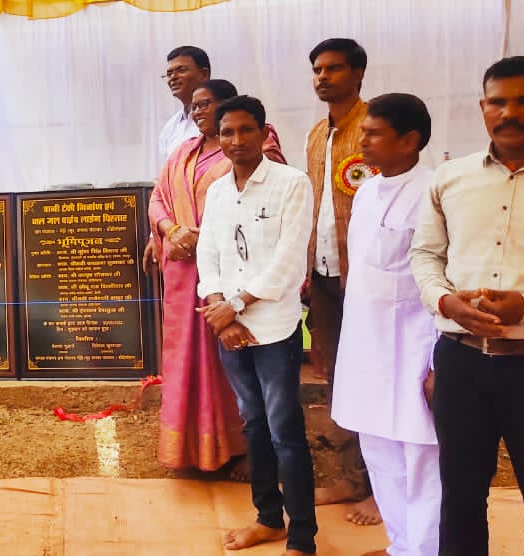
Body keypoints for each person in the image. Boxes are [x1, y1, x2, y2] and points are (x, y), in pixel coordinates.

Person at [410, 56, 524, 556]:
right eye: (498, 102)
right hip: (461, 362)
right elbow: (425, 255)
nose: (510, 112)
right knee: (459, 498)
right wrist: (445, 301)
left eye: (523, 101)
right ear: (483, 108)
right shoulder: (450, 178)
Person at [196, 95, 316, 556]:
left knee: (285, 430)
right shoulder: (218, 191)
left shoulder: (291, 183)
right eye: (227, 132)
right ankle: (268, 519)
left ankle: (302, 536)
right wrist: (218, 311)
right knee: (253, 426)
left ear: (265, 134)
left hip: (274, 328)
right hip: (229, 328)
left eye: (247, 130)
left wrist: (236, 305)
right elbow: (208, 254)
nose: (237, 140)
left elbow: (289, 261)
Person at [148, 79, 284, 474]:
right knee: (185, 358)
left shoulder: (259, 150)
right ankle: (187, 449)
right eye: (194, 106)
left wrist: (201, 236)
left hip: (231, 274)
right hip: (182, 276)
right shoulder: (183, 152)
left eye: (206, 104)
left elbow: (260, 205)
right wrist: (171, 230)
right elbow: (158, 198)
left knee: (230, 359)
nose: (198, 112)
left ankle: (236, 447)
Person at [330, 93, 440, 556]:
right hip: (366, 346)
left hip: (415, 348)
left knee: (421, 461)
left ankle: (427, 550)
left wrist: (438, 363)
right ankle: (400, 546)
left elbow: (443, 278)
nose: (363, 141)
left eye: (374, 133)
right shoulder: (367, 191)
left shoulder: (433, 193)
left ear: (409, 140)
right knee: (378, 452)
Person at [304, 37, 379, 524]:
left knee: (378, 376)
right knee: (337, 376)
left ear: (358, 74)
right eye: (317, 69)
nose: (322, 77)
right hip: (325, 275)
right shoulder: (316, 134)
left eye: (333, 68)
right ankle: (351, 478)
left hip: (370, 277)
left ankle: (382, 487)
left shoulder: (375, 126)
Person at [158, 46, 211, 163]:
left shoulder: (221, 118)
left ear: (204, 74)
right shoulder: (170, 127)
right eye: (169, 74)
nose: (173, 78)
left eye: (181, 70)